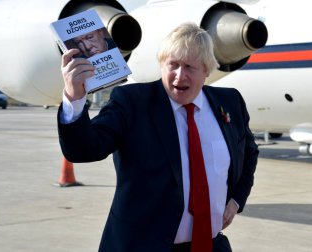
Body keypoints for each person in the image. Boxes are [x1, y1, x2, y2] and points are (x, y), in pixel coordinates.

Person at [58, 22, 258, 252]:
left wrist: (236, 199)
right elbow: (83, 150)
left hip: (210, 245)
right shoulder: (132, 102)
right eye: (172, 64)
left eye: (189, 67)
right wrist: (74, 97)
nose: (179, 76)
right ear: (161, 64)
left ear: (207, 70)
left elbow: (249, 153)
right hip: (142, 246)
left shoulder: (229, 102)